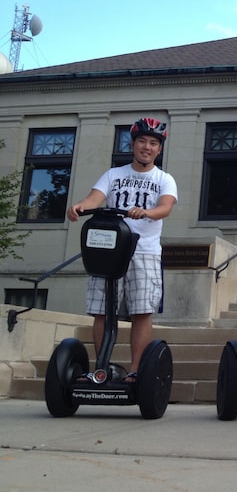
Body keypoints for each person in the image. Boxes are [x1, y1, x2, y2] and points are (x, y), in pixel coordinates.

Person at [67, 117, 178, 382]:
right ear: (133, 144)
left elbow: (166, 207)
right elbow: (95, 198)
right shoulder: (114, 174)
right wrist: (80, 206)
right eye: (142, 141)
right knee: (102, 311)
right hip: (109, 252)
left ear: (159, 149)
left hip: (144, 252)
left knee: (141, 311)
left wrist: (147, 212)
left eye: (153, 143)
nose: (147, 147)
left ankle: (136, 371)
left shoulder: (164, 178)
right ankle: (101, 367)